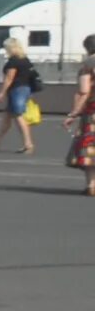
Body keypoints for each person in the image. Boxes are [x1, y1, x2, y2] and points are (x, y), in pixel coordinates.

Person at [0, 37, 38, 153]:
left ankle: (28, 144)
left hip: (17, 90)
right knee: (7, 117)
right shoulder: (25, 60)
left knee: (18, 115)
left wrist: (2, 92)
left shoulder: (14, 61)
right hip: (25, 89)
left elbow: (9, 78)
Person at [71, 35, 95, 194]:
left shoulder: (88, 64)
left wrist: (73, 113)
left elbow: (84, 91)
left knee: (90, 149)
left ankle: (91, 185)